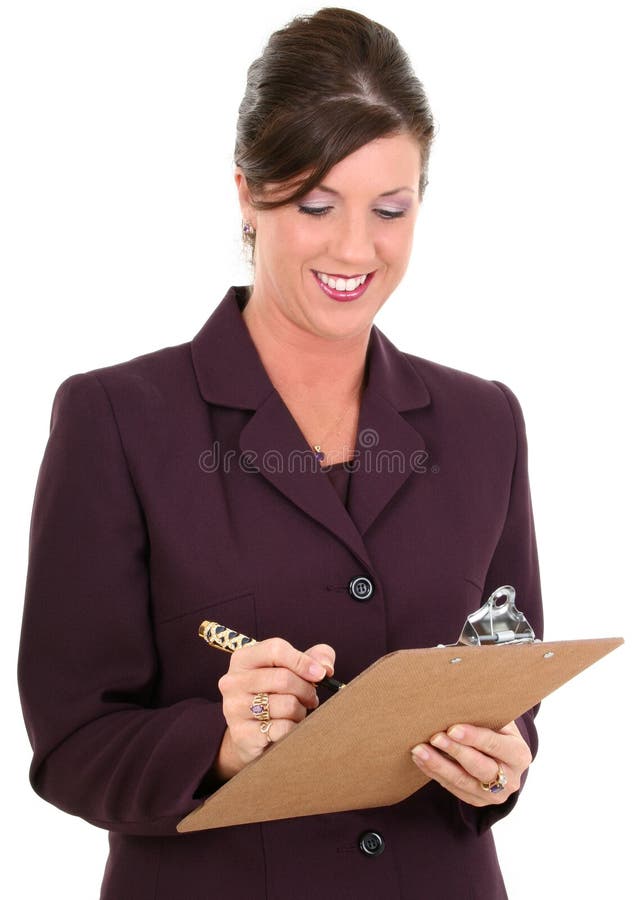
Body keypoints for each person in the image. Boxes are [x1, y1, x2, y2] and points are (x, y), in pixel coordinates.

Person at [18, 7, 543, 899]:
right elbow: (71, 746)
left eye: (390, 209)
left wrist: (501, 766)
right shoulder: (117, 418)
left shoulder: (483, 420)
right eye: (314, 204)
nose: (354, 248)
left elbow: (511, 678)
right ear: (247, 197)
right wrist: (219, 743)